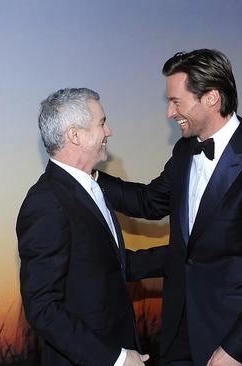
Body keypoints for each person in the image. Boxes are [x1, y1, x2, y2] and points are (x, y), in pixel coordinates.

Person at [98, 49, 242, 365]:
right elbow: (150, 202)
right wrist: (90, 176)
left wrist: (238, 348)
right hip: (179, 340)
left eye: (176, 101)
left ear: (211, 98)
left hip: (236, 345)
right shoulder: (185, 151)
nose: (170, 113)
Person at [17, 88, 150, 366]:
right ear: (75, 135)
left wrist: (184, 252)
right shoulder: (46, 202)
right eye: (101, 123)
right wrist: (116, 359)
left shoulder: (93, 186)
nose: (109, 131)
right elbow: (42, 308)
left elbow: (110, 265)